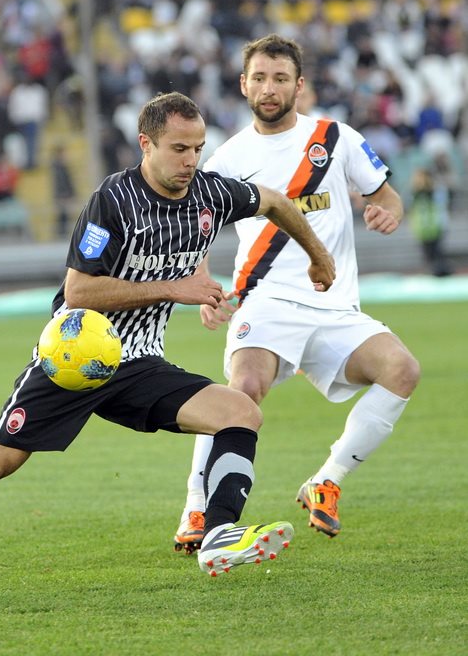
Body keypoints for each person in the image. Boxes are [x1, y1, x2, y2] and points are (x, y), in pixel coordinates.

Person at [0, 91, 335, 602]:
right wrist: (175, 288)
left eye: (198, 148)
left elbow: (274, 201)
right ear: (146, 144)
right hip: (74, 358)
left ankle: (218, 534)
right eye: (179, 149)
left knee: (241, 413)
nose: (190, 160)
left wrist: (317, 256)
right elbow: (79, 291)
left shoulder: (210, 195)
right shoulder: (114, 201)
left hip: (138, 363)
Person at [172, 35, 421, 555]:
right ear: (244, 85)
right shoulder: (228, 157)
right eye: (260, 78)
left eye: (280, 78)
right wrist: (203, 287)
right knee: (241, 391)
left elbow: (386, 195)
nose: (269, 88)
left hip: (334, 306)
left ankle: (326, 481)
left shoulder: (335, 138)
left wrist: (388, 212)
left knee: (402, 370)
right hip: (265, 301)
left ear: (299, 85)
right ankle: (198, 505)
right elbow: (194, 229)